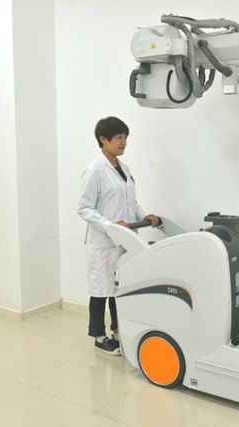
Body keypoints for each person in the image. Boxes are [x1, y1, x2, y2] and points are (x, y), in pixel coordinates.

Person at [77, 116, 160, 355]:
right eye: (118, 138)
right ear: (103, 139)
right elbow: (84, 208)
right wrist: (110, 225)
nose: (123, 142)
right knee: (100, 290)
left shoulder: (125, 169)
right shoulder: (95, 170)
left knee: (119, 288)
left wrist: (145, 216)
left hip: (125, 240)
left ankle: (117, 331)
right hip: (104, 242)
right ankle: (99, 337)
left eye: (125, 138)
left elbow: (130, 202)